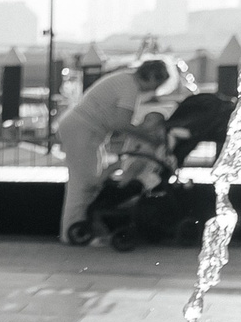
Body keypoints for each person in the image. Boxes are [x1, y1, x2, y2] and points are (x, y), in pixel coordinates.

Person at [57, 56, 190, 242]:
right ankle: (73, 232)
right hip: (83, 131)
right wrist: (151, 139)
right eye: (156, 85)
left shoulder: (124, 79)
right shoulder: (130, 87)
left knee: (87, 181)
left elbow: (116, 121)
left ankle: (80, 229)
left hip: (84, 129)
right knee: (84, 184)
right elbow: (120, 123)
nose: (154, 91)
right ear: (152, 77)